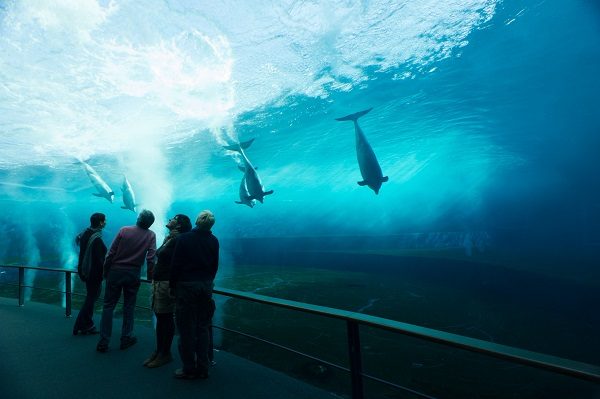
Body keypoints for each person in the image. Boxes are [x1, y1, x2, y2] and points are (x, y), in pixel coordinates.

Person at [96, 209, 157, 353]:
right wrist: (149, 277)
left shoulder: (124, 230)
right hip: (133, 274)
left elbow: (110, 254)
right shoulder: (151, 235)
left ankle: (103, 341)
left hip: (115, 272)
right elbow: (151, 258)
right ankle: (126, 338)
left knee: (108, 305)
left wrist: (105, 271)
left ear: (138, 219)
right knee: (129, 307)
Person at [170, 210, 219, 379]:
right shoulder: (213, 241)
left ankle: (188, 368)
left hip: (186, 288)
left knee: (186, 329)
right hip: (205, 287)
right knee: (203, 328)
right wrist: (207, 283)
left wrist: (172, 286)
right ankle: (203, 367)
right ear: (211, 224)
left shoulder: (184, 239)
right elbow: (214, 266)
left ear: (197, 221)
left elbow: (175, 265)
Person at [143, 214, 192, 368]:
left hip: (166, 283)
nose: (170, 219)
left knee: (165, 318)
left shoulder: (178, 240)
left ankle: (165, 353)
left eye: (174, 218)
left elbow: (179, 263)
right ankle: (159, 351)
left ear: (178, 225)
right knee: (161, 316)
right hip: (160, 282)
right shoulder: (170, 238)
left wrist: (172, 285)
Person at [72, 213, 107, 335]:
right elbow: (99, 260)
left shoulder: (85, 233)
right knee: (91, 298)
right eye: (104, 220)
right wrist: (104, 273)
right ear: (101, 223)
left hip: (84, 270)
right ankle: (79, 325)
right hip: (93, 274)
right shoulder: (96, 238)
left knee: (91, 297)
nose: (106, 222)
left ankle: (88, 324)